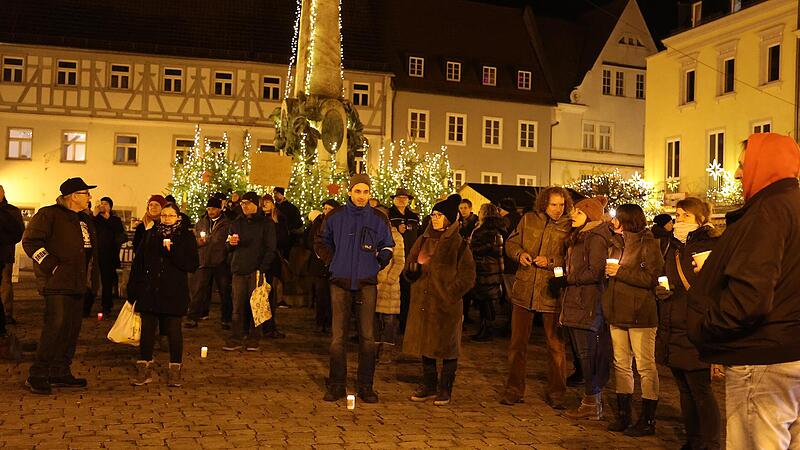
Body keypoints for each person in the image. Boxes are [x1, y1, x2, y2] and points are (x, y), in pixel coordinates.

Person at [688, 133, 800, 450]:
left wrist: (709, 329)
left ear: (764, 165)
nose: (737, 173)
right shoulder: (791, 207)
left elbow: (750, 297)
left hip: (763, 357)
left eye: (742, 165)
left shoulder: (768, 212)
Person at [314, 174, 394, 403]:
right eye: (357, 191)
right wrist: (332, 261)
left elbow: (387, 245)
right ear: (350, 192)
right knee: (338, 337)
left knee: (367, 337)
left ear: (369, 194)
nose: (361, 196)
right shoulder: (336, 216)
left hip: (366, 282)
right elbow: (321, 241)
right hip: (339, 281)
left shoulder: (378, 219)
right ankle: (337, 384)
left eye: (365, 192)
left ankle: (366, 385)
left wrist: (379, 262)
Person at [21, 177, 98, 394]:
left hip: (78, 283)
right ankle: (37, 374)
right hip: (57, 284)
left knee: (71, 329)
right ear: (74, 196)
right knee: (54, 328)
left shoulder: (84, 219)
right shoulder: (49, 214)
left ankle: (60, 371)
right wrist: (51, 265)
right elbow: (30, 242)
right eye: (86, 193)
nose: (90, 197)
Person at [655, 197, 721, 450]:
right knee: (683, 388)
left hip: (696, 323)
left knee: (700, 389)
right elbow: (664, 274)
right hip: (673, 320)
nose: (678, 220)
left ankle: (710, 443)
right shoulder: (672, 246)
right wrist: (661, 288)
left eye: (685, 216)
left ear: (700, 220)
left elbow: (713, 285)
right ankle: (692, 440)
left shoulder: (710, 245)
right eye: (677, 215)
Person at [501, 187, 572, 409]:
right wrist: (519, 254)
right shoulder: (528, 219)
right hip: (524, 290)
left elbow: (572, 260)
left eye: (561, 205)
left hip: (551, 292)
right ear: (544, 204)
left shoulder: (569, 225)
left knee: (555, 347)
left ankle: (557, 393)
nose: (558, 209)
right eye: (553, 205)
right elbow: (511, 243)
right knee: (517, 345)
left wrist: (550, 261)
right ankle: (514, 390)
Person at [404, 194, 476, 406]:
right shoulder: (423, 239)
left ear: (449, 218)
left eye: (440, 215)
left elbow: (468, 276)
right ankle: (428, 385)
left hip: (446, 304)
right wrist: (412, 272)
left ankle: (445, 388)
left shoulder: (459, 244)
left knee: (447, 347)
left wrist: (449, 294)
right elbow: (409, 263)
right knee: (426, 344)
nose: (435, 219)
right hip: (423, 302)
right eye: (433, 214)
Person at [603, 203, 664, 436]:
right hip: (617, 311)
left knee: (645, 366)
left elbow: (651, 278)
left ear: (627, 220)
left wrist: (621, 272)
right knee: (621, 363)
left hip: (641, 314)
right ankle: (623, 414)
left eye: (617, 217)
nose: (612, 221)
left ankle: (648, 419)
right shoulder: (616, 242)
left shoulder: (648, 244)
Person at [129, 203, 198, 387]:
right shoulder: (151, 234)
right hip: (150, 291)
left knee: (174, 331)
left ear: (178, 218)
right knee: (147, 331)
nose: (166, 218)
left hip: (173, 292)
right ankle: (145, 366)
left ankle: (175, 368)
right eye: (164, 215)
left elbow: (191, 264)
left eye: (171, 215)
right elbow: (139, 262)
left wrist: (172, 251)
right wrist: (133, 288)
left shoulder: (186, 237)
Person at [558, 196, 615, 421]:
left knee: (588, 354)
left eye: (578, 212)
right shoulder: (580, 236)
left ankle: (592, 402)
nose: (572, 215)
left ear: (590, 216)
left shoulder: (596, 237)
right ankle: (590, 401)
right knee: (583, 355)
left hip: (587, 302)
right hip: (576, 300)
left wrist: (568, 279)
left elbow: (595, 271)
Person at [223, 192, 277, 352]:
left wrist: (262, 268)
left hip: (256, 270)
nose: (244, 206)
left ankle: (254, 337)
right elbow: (228, 246)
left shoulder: (266, 224)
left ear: (256, 204)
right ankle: (236, 337)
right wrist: (231, 244)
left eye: (247, 203)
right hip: (239, 269)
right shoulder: (236, 223)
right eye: (242, 203)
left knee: (256, 305)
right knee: (237, 307)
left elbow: (270, 248)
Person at [185, 196, 232, 329]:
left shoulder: (227, 224)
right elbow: (195, 238)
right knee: (198, 290)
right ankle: (193, 317)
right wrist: (198, 242)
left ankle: (226, 319)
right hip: (204, 259)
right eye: (209, 208)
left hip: (220, 261)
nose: (211, 211)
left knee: (224, 291)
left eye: (213, 209)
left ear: (219, 209)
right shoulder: (201, 222)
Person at [467, 203, 505, 342]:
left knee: (485, 302)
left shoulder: (483, 230)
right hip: (494, 270)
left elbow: (479, 249)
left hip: (484, 270)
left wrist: (470, 247)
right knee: (488, 301)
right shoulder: (498, 229)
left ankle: (486, 330)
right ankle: (485, 329)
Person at [86, 196, 127, 317]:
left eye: (106, 204)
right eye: (101, 203)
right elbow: (88, 227)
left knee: (107, 282)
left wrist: (108, 219)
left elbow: (120, 233)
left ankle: (106, 306)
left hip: (109, 255)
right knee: (92, 282)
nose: (103, 205)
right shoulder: (95, 219)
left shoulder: (115, 220)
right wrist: (94, 214)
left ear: (110, 206)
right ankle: (86, 307)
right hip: (95, 255)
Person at [374, 206, 405, 363]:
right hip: (372, 284)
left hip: (388, 286)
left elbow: (399, 261)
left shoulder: (395, 236)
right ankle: (372, 349)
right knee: (372, 319)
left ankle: (386, 351)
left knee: (389, 320)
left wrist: (389, 279)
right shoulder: (369, 233)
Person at [388, 187, 419, 332]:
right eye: (399, 198)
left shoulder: (413, 216)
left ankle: (404, 323)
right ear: (394, 199)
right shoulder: (389, 215)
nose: (402, 200)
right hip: (393, 258)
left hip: (409, 257)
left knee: (407, 291)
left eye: (404, 198)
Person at [306, 199, 340, 334]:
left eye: (329, 209)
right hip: (319, 265)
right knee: (321, 294)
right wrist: (319, 253)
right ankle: (320, 322)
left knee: (334, 296)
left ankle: (332, 322)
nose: (326, 211)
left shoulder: (339, 223)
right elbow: (310, 241)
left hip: (335, 264)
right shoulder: (318, 223)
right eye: (325, 208)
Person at [261, 194, 289, 334]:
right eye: (263, 202)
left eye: (267, 202)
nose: (265, 205)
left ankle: (270, 325)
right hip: (258, 261)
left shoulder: (279, 220)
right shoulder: (258, 220)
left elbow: (284, 240)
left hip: (273, 262)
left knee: (271, 294)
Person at [0, 185, 24, 325]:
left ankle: (6, 313)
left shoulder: (11, 211)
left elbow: (17, 232)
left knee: (5, 284)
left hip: (4, 254)